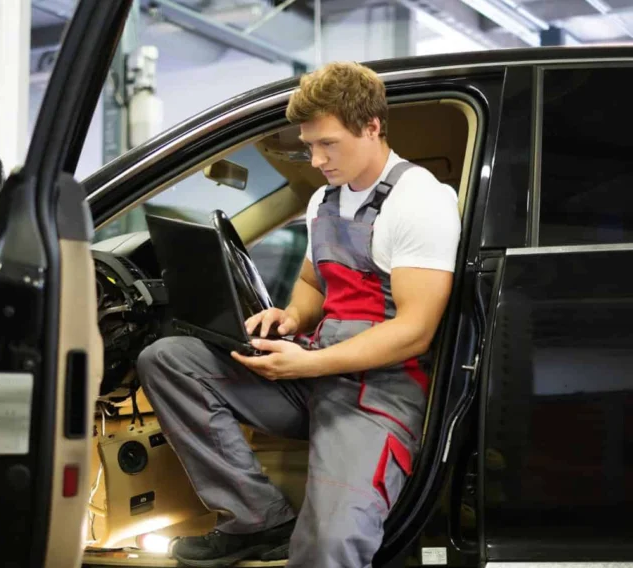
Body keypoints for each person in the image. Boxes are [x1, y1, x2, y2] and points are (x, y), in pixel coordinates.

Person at [137, 61, 461, 568]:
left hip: (376, 395)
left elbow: (414, 332)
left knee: (328, 547)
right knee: (169, 359)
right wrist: (289, 318)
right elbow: (314, 283)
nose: (315, 158)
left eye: (327, 144)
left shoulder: (420, 201)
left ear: (372, 126)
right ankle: (257, 520)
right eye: (310, 145)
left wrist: (307, 364)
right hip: (315, 372)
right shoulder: (323, 201)